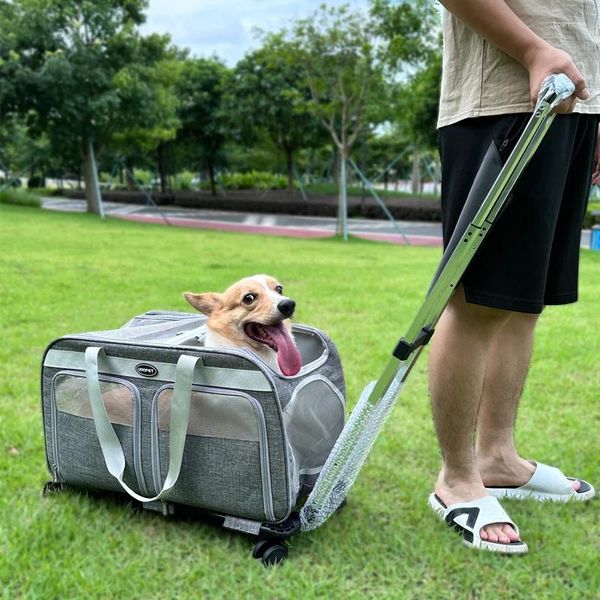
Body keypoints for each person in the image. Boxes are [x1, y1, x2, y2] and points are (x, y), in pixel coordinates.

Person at [429, 0, 599, 553]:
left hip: (573, 104)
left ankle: (496, 457)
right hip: (504, 97)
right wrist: (531, 49)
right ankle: (456, 478)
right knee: (478, 300)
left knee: (524, 302)